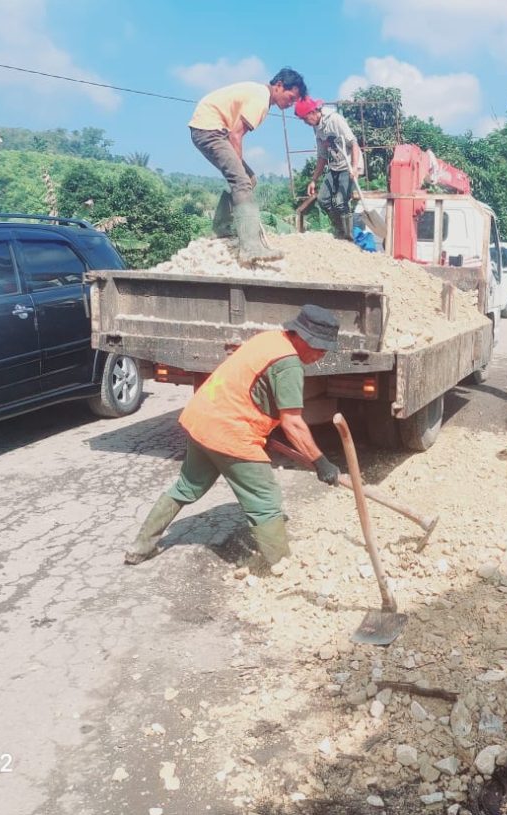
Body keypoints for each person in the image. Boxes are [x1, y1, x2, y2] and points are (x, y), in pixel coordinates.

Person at [124, 305, 343, 570]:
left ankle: (139, 548)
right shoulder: (288, 363)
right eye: (319, 348)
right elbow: (293, 423)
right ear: (303, 337)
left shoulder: (270, 340)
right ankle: (283, 566)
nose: (321, 355)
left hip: (202, 418)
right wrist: (320, 462)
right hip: (230, 432)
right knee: (265, 500)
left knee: (186, 487)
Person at [189, 68, 308, 264]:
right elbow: (235, 135)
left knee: (249, 179)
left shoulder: (259, 94)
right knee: (242, 181)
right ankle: (251, 247)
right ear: (279, 86)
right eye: (291, 96)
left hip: (208, 127)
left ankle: (221, 227)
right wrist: (239, 173)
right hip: (209, 129)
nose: (291, 102)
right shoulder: (261, 98)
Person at [295, 97, 362, 241]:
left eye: (305, 119)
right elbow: (322, 157)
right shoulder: (317, 128)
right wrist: (313, 180)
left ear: (313, 112)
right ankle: (339, 230)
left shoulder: (335, 120)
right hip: (334, 166)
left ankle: (349, 236)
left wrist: (355, 167)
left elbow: (354, 143)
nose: (305, 123)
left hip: (348, 165)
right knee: (323, 199)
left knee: (340, 201)